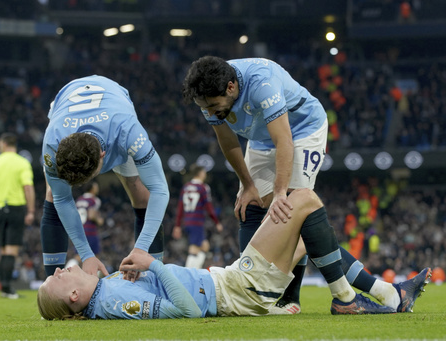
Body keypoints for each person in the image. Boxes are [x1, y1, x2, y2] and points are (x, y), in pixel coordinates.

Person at [181, 56, 406, 315]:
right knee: (249, 206)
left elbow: (284, 140)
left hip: (301, 131)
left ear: (231, 88)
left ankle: (298, 298)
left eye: (212, 106)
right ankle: (252, 290)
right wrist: (248, 185)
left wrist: (278, 193)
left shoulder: (261, 84)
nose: (209, 112)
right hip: (261, 138)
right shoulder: (208, 93)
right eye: (204, 108)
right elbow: (228, 142)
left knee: (292, 208)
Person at [37, 188, 432, 320]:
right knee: (304, 200)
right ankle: (350, 300)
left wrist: (142, 273)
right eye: (57, 278)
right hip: (235, 287)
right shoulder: (113, 302)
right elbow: (188, 312)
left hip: (232, 285)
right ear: (74, 297)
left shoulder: (105, 294)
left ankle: (389, 294)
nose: (60, 270)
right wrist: (153, 263)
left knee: (307, 237)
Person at [41, 75, 169, 280]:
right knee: (52, 193)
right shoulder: (53, 142)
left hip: (114, 102)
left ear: (104, 156)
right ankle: (51, 284)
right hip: (65, 101)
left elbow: (160, 189)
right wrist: (86, 255)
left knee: (142, 194)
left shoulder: (128, 131)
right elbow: (63, 198)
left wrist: (140, 249)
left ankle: (153, 279)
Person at [0, 132, 36, 299]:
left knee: (4, 250)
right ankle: (6, 287)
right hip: (16, 208)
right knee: (12, 251)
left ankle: (4, 286)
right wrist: (31, 210)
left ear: (3, 144)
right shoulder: (22, 163)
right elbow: (28, 187)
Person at [172, 164, 223, 268]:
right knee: (194, 248)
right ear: (200, 173)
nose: (205, 174)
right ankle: (189, 274)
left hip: (187, 221)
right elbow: (209, 207)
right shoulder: (203, 187)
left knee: (205, 246)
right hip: (197, 222)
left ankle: (195, 271)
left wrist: (177, 225)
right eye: (204, 172)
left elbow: (180, 208)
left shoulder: (185, 187)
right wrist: (217, 222)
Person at [65, 181, 105, 269]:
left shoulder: (79, 199)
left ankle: (68, 269)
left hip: (79, 231)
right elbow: (91, 215)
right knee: (95, 255)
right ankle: (95, 278)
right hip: (90, 231)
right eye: (96, 186)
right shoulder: (94, 200)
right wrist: (99, 220)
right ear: (92, 189)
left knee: (78, 255)